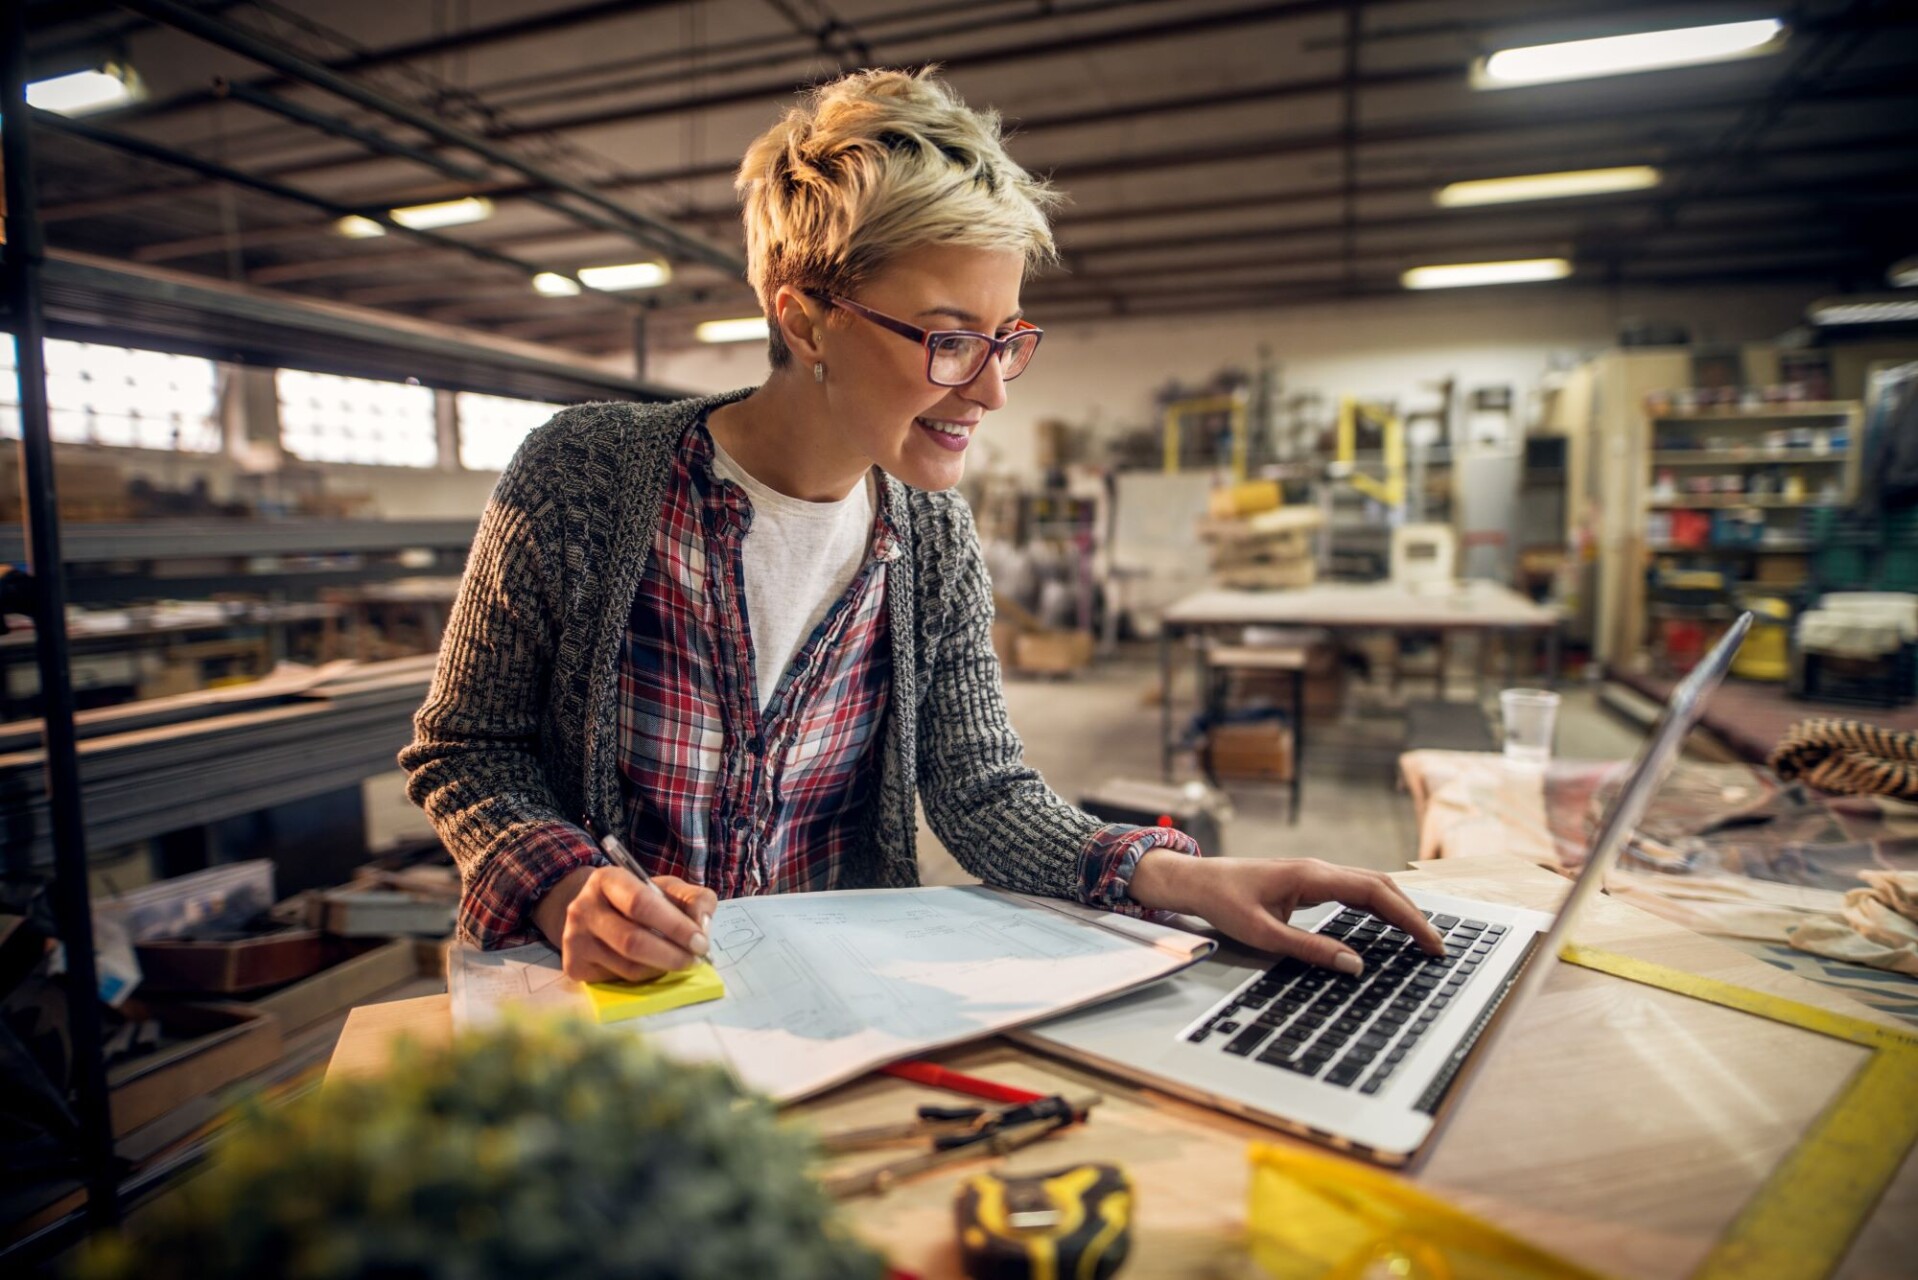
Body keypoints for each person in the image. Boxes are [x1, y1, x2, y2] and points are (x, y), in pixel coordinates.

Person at [400, 68, 1440, 985]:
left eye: (1006, 339)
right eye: (949, 339)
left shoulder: (932, 535)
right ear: (804, 317)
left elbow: (979, 788)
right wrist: (566, 890)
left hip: (821, 1003)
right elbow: (465, 747)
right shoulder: (586, 476)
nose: (991, 390)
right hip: (585, 1009)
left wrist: (1182, 877)